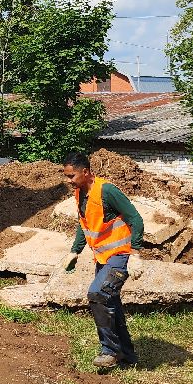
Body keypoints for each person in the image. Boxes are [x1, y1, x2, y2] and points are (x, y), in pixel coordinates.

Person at [62, 152, 144, 370]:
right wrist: (75, 251)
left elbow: (136, 219)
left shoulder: (107, 191)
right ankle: (127, 355)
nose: (68, 181)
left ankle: (109, 350)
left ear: (85, 172)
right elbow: (84, 223)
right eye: (67, 176)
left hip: (120, 255)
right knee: (112, 304)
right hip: (102, 258)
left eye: (71, 176)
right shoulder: (80, 194)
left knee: (98, 294)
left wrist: (135, 254)